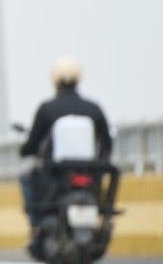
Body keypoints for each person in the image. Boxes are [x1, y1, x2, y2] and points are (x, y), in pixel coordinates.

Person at [19, 56, 112, 242]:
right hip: (89, 172)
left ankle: (36, 225)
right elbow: (107, 144)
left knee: (25, 177)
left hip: (56, 174)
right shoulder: (93, 108)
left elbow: (32, 143)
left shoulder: (47, 109)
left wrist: (25, 150)